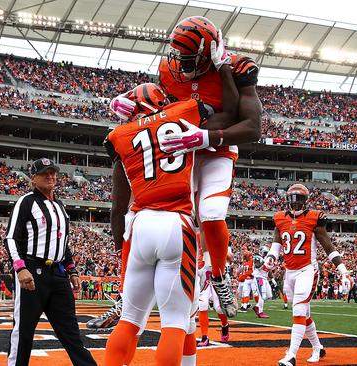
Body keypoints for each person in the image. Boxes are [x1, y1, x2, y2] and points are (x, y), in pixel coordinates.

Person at [95, 15, 263, 328]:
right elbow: (160, 108)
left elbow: (249, 125)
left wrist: (206, 135)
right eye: (178, 57)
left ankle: (218, 276)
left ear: (210, 52)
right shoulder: (168, 71)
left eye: (189, 59)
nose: (180, 65)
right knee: (137, 216)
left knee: (211, 212)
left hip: (216, 148)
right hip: (181, 151)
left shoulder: (239, 69)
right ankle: (124, 295)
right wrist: (132, 98)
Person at [104, 66, 240, 365]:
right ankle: (219, 276)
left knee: (129, 319)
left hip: (139, 225)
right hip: (175, 222)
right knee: (175, 322)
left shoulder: (119, 134)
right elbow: (229, 112)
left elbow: (117, 208)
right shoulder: (183, 112)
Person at [4, 158, 96, 366]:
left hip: (58, 273)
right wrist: (20, 268)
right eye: (45, 173)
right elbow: (11, 237)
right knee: (23, 330)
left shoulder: (60, 205)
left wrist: (72, 270)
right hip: (32, 272)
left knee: (71, 331)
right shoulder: (26, 201)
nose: (50, 176)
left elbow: (62, 242)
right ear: (33, 178)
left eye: (53, 172)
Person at [266, 184, 349, 365]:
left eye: (299, 199)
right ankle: (318, 347)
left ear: (305, 200)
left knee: (298, 310)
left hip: (307, 270)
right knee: (304, 314)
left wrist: (342, 270)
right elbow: (276, 243)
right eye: (292, 199)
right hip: (289, 272)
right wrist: (271, 256)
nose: (295, 204)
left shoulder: (313, 218)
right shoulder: (279, 218)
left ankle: (291, 355)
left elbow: (328, 246)